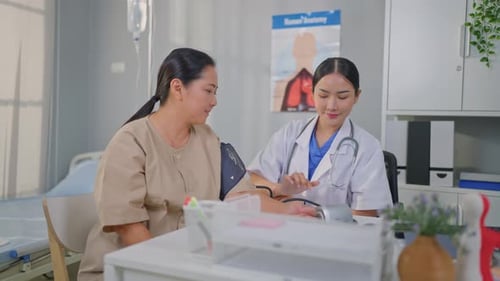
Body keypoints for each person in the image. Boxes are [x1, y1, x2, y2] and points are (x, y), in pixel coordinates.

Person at [78, 48, 315, 281]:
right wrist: (175, 270)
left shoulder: (208, 138)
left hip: (185, 264)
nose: (214, 102)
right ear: (178, 88)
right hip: (126, 268)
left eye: (215, 92)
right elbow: (128, 228)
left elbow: (242, 196)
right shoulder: (130, 141)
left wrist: (288, 211)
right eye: (208, 91)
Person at [248, 57, 392, 217]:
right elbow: (253, 179)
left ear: (357, 96)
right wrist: (280, 189)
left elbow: (368, 213)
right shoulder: (290, 133)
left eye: (342, 97)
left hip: (338, 236)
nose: (332, 106)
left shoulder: (367, 146)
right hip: (287, 229)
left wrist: (319, 216)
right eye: (323, 96)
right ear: (312, 93)